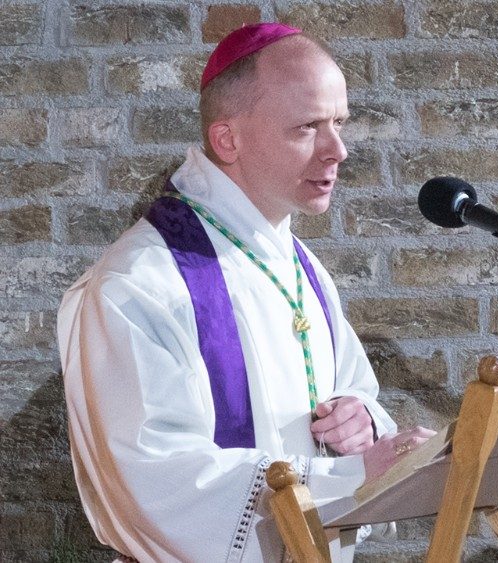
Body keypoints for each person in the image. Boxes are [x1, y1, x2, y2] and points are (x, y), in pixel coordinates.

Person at [57, 23, 433, 561]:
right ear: (227, 139)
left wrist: (362, 420)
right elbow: (160, 481)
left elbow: (352, 386)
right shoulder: (140, 284)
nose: (338, 150)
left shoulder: (295, 261)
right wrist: (352, 475)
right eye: (307, 127)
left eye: (339, 123)